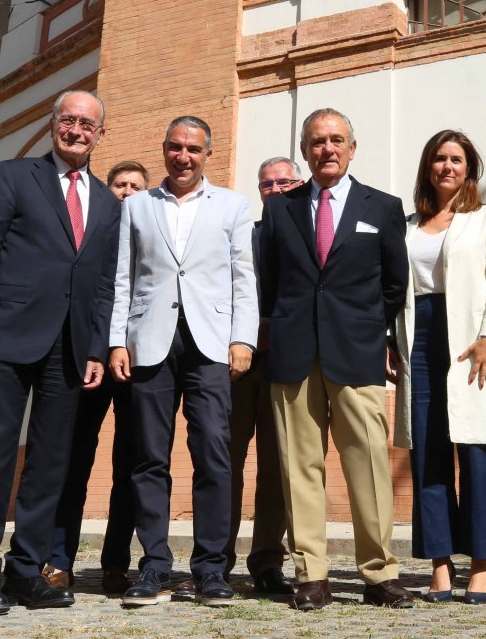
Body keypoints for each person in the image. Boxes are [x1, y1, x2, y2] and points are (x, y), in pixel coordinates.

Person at [0, 89, 121, 617]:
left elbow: (104, 285)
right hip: (5, 339)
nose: (77, 130)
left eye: (88, 124)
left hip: (69, 349)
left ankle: (26, 570)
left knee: (50, 463)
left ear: (100, 134)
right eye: (68, 120)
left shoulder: (108, 201)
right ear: (54, 125)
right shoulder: (13, 175)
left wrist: (96, 346)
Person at [256, 108, 413, 610]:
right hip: (294, 353)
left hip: (357, 352)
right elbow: (270, 281)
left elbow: (395, 283)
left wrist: (370, 329)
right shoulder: (280, 209)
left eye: (336, 140)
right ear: (305, 151)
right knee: (298, 466)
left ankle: (379, 572)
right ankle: (311, 573)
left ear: (352, 147)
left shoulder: (383, 207)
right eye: (317, 141)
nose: (327, 149)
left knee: (367, 462)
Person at [109, 116, 257, 607]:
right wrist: (116, 341)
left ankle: (211, 568)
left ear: (207, 153)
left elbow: (243, 279)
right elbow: (123, 279)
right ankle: (153, 566)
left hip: (211, 342)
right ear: (164, 150)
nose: (183, 156)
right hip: (149, 341)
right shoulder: (136, 207)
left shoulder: (233, 206)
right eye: (175, 147)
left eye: (193, 149)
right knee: (149, 456)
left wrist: (244, 340)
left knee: (214, 451)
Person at [392, 130, 486, 604]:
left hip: (470, 339)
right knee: (428, 452)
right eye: (439, 159)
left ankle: (481, 564)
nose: (447, 166)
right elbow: (393, 290)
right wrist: (390, 341)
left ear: (469, 169)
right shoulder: (406, 225)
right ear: (428, 167)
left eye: (456, 159)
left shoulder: (484, 219)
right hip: (418, 339)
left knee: (479, 449)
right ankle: (440, 563)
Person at [44, 160, 150, 596]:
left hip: (137, 362)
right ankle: (58, 558)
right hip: (87, 357)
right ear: (108, 192)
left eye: (136, 186)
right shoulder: (91, 228)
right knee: (73, 458)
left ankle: (115, 563)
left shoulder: (153, 234)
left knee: (130, 462)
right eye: (120, 185)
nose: (127, 192)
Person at [221, 157, 301, 595]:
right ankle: (217, 560)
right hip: (238, 364)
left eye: (283, 182)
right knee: (225, 463)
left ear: (299, 183)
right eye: (266, 184)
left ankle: (268, 561)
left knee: (277, 467)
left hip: (288, 365)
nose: (274, 190)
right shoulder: (244, 234)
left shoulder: (310, 234)